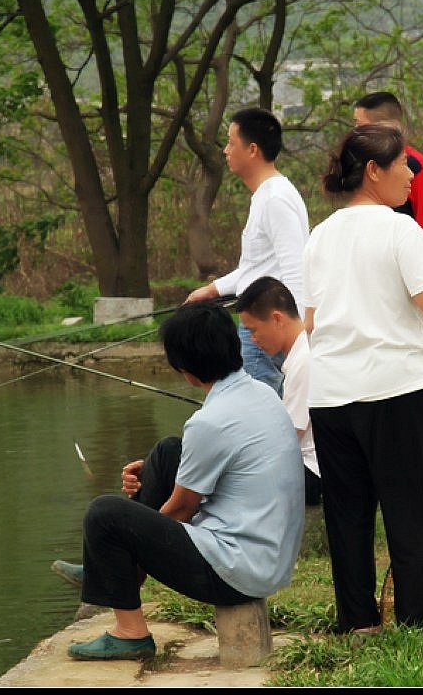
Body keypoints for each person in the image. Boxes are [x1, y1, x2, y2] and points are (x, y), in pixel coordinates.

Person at [303, 123, 423, 634]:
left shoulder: (320, 235)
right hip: (394, 390)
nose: (412, 173)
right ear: (373, 171)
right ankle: (413, 627)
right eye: (403, 164)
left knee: (348, 518)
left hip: (329, 395)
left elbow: (310, 321)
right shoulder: (399, 229)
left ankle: (359, 624)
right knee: (415, 516)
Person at [58, 302, 305, 661]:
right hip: (270, 555)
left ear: (185, 370)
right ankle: (108, 572)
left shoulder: (211, 422)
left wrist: (132, 538)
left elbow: (182, 510)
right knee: (168, 452)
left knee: (105, 514)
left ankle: (130, 631)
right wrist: (156, 485)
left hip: (239, 571)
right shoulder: (262, 394)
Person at [185, 107, 309, 394]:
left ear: (252, 149)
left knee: (260, 412)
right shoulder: (266, 195)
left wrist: (299, 336)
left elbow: (295, 268)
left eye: (231, 142)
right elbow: (260, 266)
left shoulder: (276, 198)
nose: (226, 150)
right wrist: (213, 289)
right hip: (260, 324)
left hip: (266, 327)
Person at [234, 275, 321, 506]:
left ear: (276, 319)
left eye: (254, 330)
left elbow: (289, 435)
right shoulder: (301, 353)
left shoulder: (305, 359)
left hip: (310, 473)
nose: (252, 340)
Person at [353, 91, 423, 270]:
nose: (355, 132)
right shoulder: (361, 165)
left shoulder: (417, 167)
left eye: (360, 125)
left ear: (383, 126)